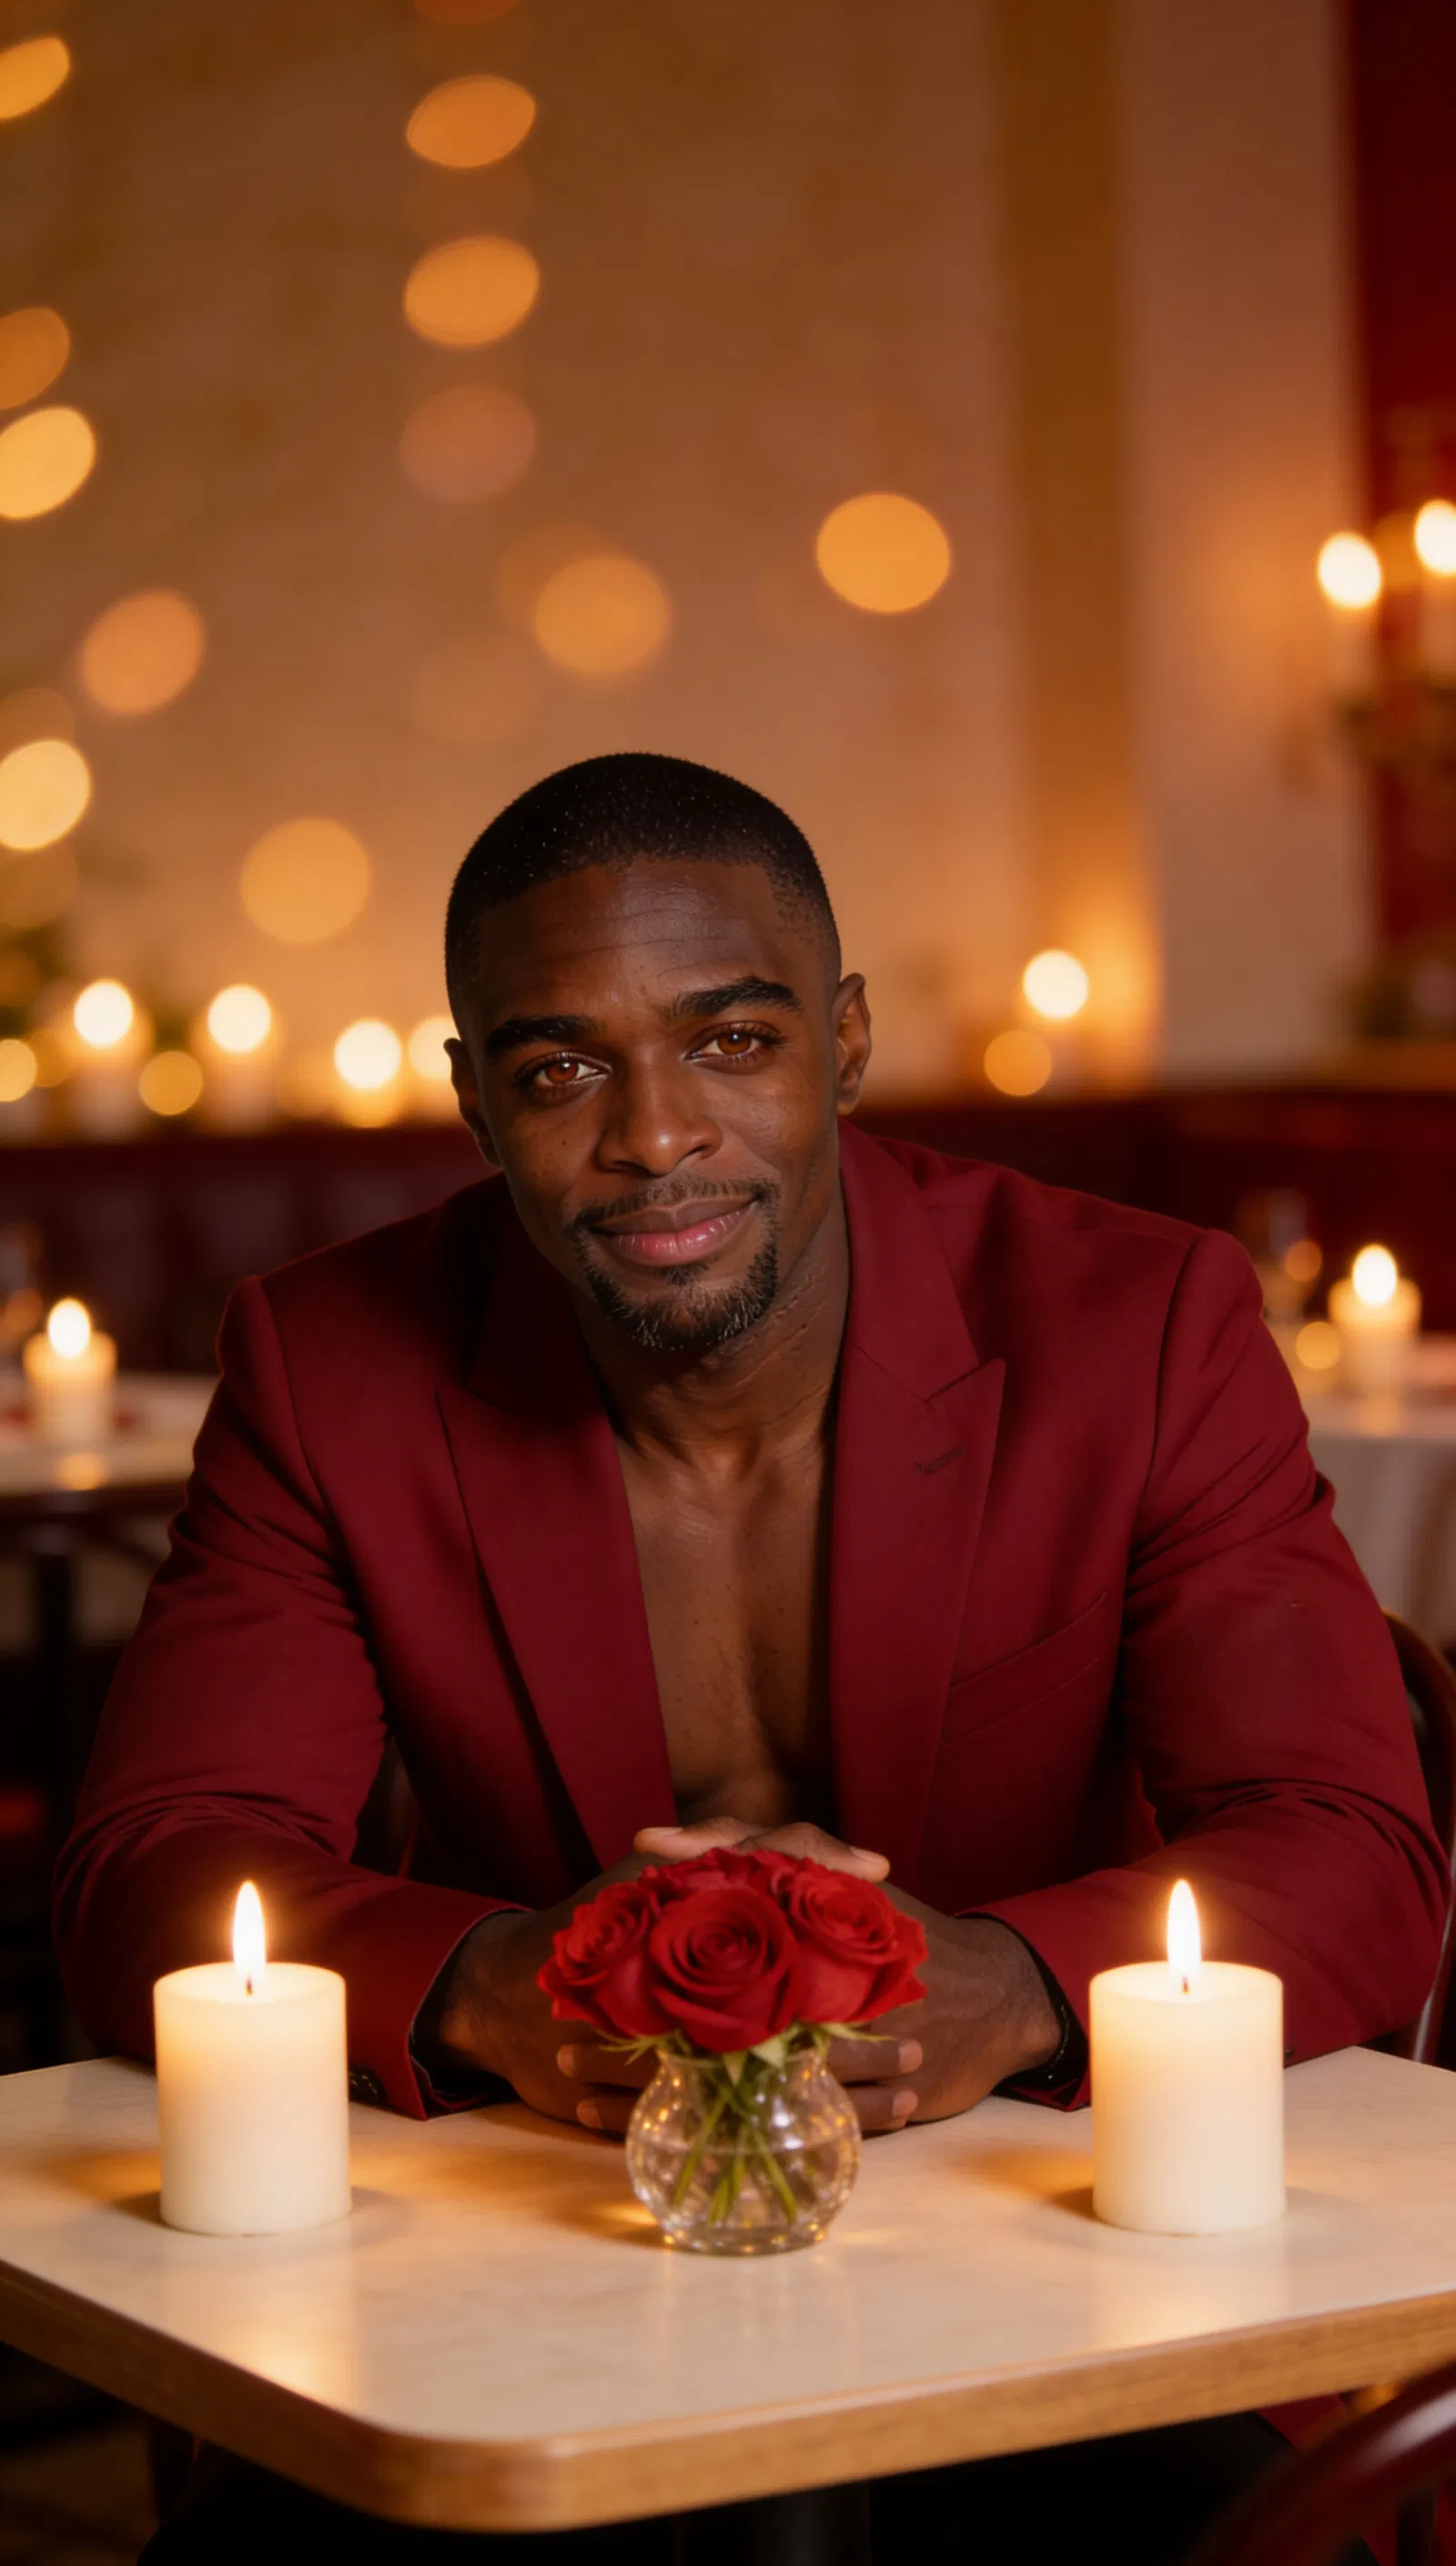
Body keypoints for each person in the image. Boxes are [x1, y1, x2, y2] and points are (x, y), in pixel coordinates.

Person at [55, 753, 1440, 2564]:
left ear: (843, 1042)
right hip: (529, 2278)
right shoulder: (330, 1370)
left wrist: (1013, 1980)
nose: (651, 1135)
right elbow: (150, 1867)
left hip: (1071, 2274)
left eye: (730, 1042)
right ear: (471, 1099)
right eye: (560, 1070)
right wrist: (494, 1983)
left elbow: (1345, 1837)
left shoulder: (1137, 1324)